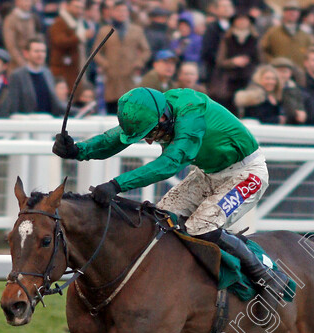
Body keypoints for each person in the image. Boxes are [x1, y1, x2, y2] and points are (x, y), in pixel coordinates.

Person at [51, 86, 290, 297]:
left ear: (164, 118)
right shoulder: (151, 110)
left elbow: (170, 164)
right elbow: (114, 139)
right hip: (207, 173)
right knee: (161, 221)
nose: (149, 142)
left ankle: (264, 273)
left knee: (202, 226)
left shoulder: (190, 115)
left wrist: (117, 185)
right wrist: (77, 151)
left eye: (151, 135)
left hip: (247, 174)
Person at [92, 1, 150, 114]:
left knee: (130, 108)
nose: (121, 13)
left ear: (128, 12)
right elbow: (96, 52)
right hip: (111, 77)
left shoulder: (137, 30)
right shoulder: (104, 30)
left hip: (129, 76)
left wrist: (138, 62)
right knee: (112, 109)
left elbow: (146, 50)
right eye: (118, 10)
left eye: (124, 10)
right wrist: (105, 64)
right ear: (112, 12)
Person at [209, 8, 259, 111]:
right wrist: (233, 62)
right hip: (229, 79)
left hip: (248, 77)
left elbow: (259, 59)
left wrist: (248, 63)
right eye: (239, 20)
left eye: (244, 20)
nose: (242, 22)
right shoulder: (227, 39)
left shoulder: (255, 39)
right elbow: (220, 60)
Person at [0, 37, 63, 116]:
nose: (40, 54)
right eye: (36, 51)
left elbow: (55, 102)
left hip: (48, 120)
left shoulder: (47, 73)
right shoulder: (17, 76)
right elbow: (13, 104)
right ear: (26, 53)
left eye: (43, 51)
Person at [259, 0, 314, 69]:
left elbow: (311, 53)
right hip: (278, 72)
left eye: (295, 10)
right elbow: (263, 50)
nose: (292, 13)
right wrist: (272, 63)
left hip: (299, 74)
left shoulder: (305, 35)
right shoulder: (272, 32)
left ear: (299, 13)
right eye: (289, 10)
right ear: (284, 12)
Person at [48, 0, 88, 87]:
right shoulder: (59, 23)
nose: (79, 11)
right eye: (76, 7)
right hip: (62, 70)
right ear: (67, 6)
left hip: (76, 69)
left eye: (81, 8)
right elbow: (59, 41)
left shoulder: (81, 23)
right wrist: (79, 37)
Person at [199, 0, 233, 82]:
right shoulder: (212, 28)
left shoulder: (235, 27)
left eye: (229, 6)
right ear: (216, 10)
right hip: (216, 71)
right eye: (224, 6)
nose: (227, 9)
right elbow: (207, 51)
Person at [2, 0, 38, 71]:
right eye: (25, 1)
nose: (28, 3)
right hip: (17, 64)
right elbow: (11, 45)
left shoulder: (31, 18)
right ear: (17, 2)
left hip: (32, 61)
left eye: (29, 1)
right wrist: (23, 63)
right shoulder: (10, 19)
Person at [270, 57, 306, 125]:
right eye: (279, 71)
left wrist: (301, 112)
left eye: (285, 71)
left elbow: (298, 107)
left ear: (290, 73)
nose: (282, 74)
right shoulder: (267, 88)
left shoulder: (294, 89)